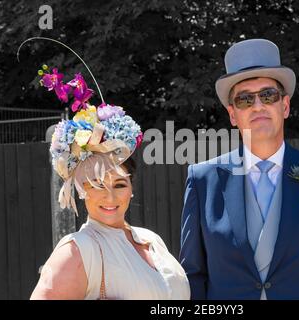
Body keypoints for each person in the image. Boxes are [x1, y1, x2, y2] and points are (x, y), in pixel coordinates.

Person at [179, 39, 299, 299]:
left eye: (268, 95)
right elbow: (193, 275)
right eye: (245, 99)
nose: (258, 106)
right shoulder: (203, 180)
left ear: (285, 106)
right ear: (233, 115)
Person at [29, 60, 190, 299]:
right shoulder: (77, 251)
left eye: (120, 184)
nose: (110, 197)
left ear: (132, 187)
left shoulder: (151, 240)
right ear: (82, 189)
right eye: (97, 185)